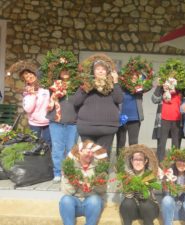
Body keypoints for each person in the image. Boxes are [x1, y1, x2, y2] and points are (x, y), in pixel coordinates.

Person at [41, 49, 79, 183]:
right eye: (62, 70)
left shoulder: (77, 86)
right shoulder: (52, 85)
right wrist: (54, 63)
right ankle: (57, 172)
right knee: (57, 149)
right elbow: (41, 74)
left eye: (68, 70)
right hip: (56, 122)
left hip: (73, 122)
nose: (65, 72)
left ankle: (69, 173)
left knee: (71, 149)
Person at [74, 55, 123, 156]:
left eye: (103, 69)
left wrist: (116, 82)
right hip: (87, 127)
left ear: (107, 71)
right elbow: (76, 101)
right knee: (87, 156)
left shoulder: (113, 85)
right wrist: (86, 87)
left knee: (103, 157)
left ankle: (102, 172)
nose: (100, 71)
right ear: (93, 72)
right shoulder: (85, 85)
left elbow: (119, 99)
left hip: (107, 127)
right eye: (97, 69)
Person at [59, 140, 108, 225]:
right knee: (65, 200)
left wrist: (95, 184)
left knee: (95, 200)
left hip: (92, 204)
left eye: (91, 153)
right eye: (86, 152)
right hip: (75, 202)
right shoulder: (70, 166)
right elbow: (67, 192)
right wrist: (73, 181)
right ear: (79, 153)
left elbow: (102, 191)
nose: (89, 155)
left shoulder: (99, 166)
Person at [118, 144, 160, 225]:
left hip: (149, 208)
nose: (138, 162)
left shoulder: (150, 174)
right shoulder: (127, 174)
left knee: (145, 204)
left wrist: (141, 185)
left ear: (145, 161)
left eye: (140, 159)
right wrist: (129, 184)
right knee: (127, 203)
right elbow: (129, 196)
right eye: (135, 159)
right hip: (134, 209)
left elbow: (145, 196)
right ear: (131, 161)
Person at [151, 81, 184, 161]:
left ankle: (175, 164)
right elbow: (154, 100)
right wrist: (159, 86)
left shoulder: (180, 89)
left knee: (176, 145)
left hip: (177, 119)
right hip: (163, 119)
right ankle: (160, 165)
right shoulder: (163, 89)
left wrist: (180, 84)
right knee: (161, 144)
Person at [19, 67, 51, 146]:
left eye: (30, 74)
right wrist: (33, 95)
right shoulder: (26, 92)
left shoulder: (45, 88)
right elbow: (28, 109)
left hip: (48, 123)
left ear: (34, 74)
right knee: (34, 146)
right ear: (26, 81)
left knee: (49, 145)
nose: (29, 76)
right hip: (35, 124)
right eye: (26, 77)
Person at [116, 74, 145, 156]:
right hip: (121, 118)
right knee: (121, 142)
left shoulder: (139, 88)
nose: (134, 78)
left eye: (135, 77)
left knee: (133, 143)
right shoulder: (121, 87)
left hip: (135, 118)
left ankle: (133, 164)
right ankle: (119, 165)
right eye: (132, 76)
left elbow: (146, 78)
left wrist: (139, 74)